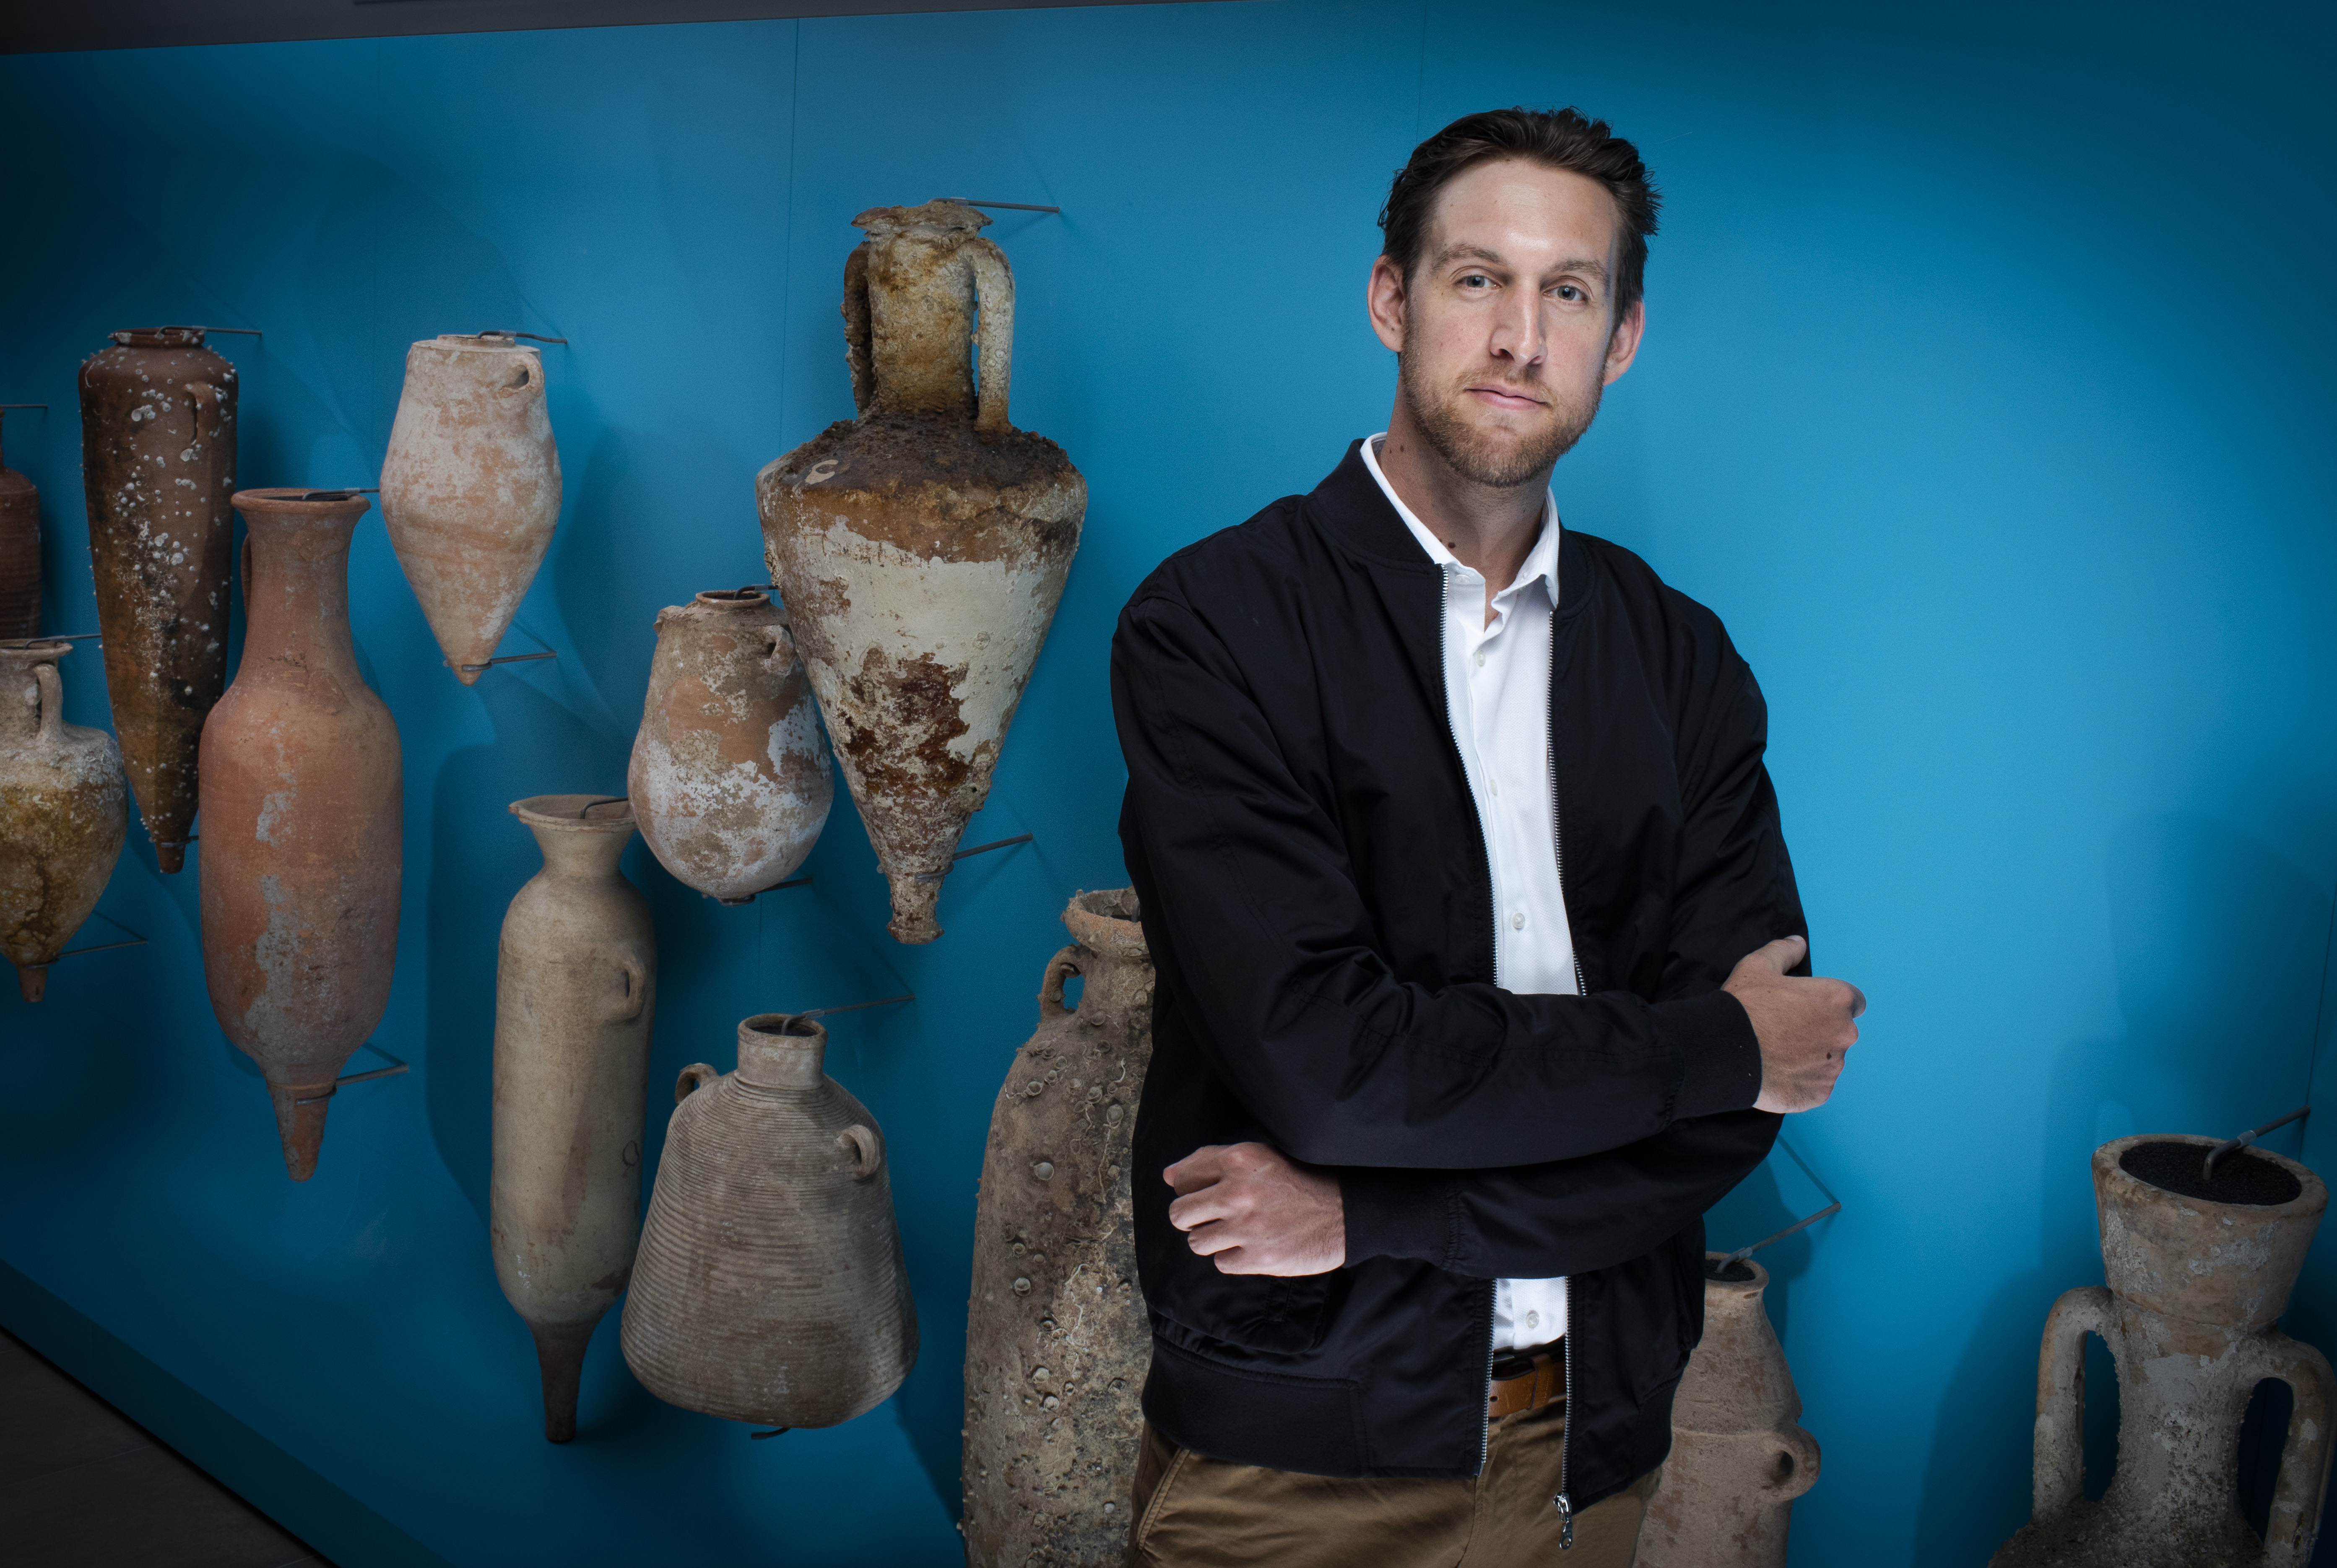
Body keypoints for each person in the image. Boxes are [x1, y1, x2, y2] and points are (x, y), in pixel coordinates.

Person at [1107, 107, 1866, 1567]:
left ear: (1623, 335)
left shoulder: (1682, 659)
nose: (1521, 336)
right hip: (1299, 1460)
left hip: (1598, 1444)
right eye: (1477, 280)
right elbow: (1333, 1074)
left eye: (1568, 291)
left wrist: (1381, 1215)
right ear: (1392, 297)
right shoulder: (1214, 628)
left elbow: (1728, 1124)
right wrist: (1712, 1041)